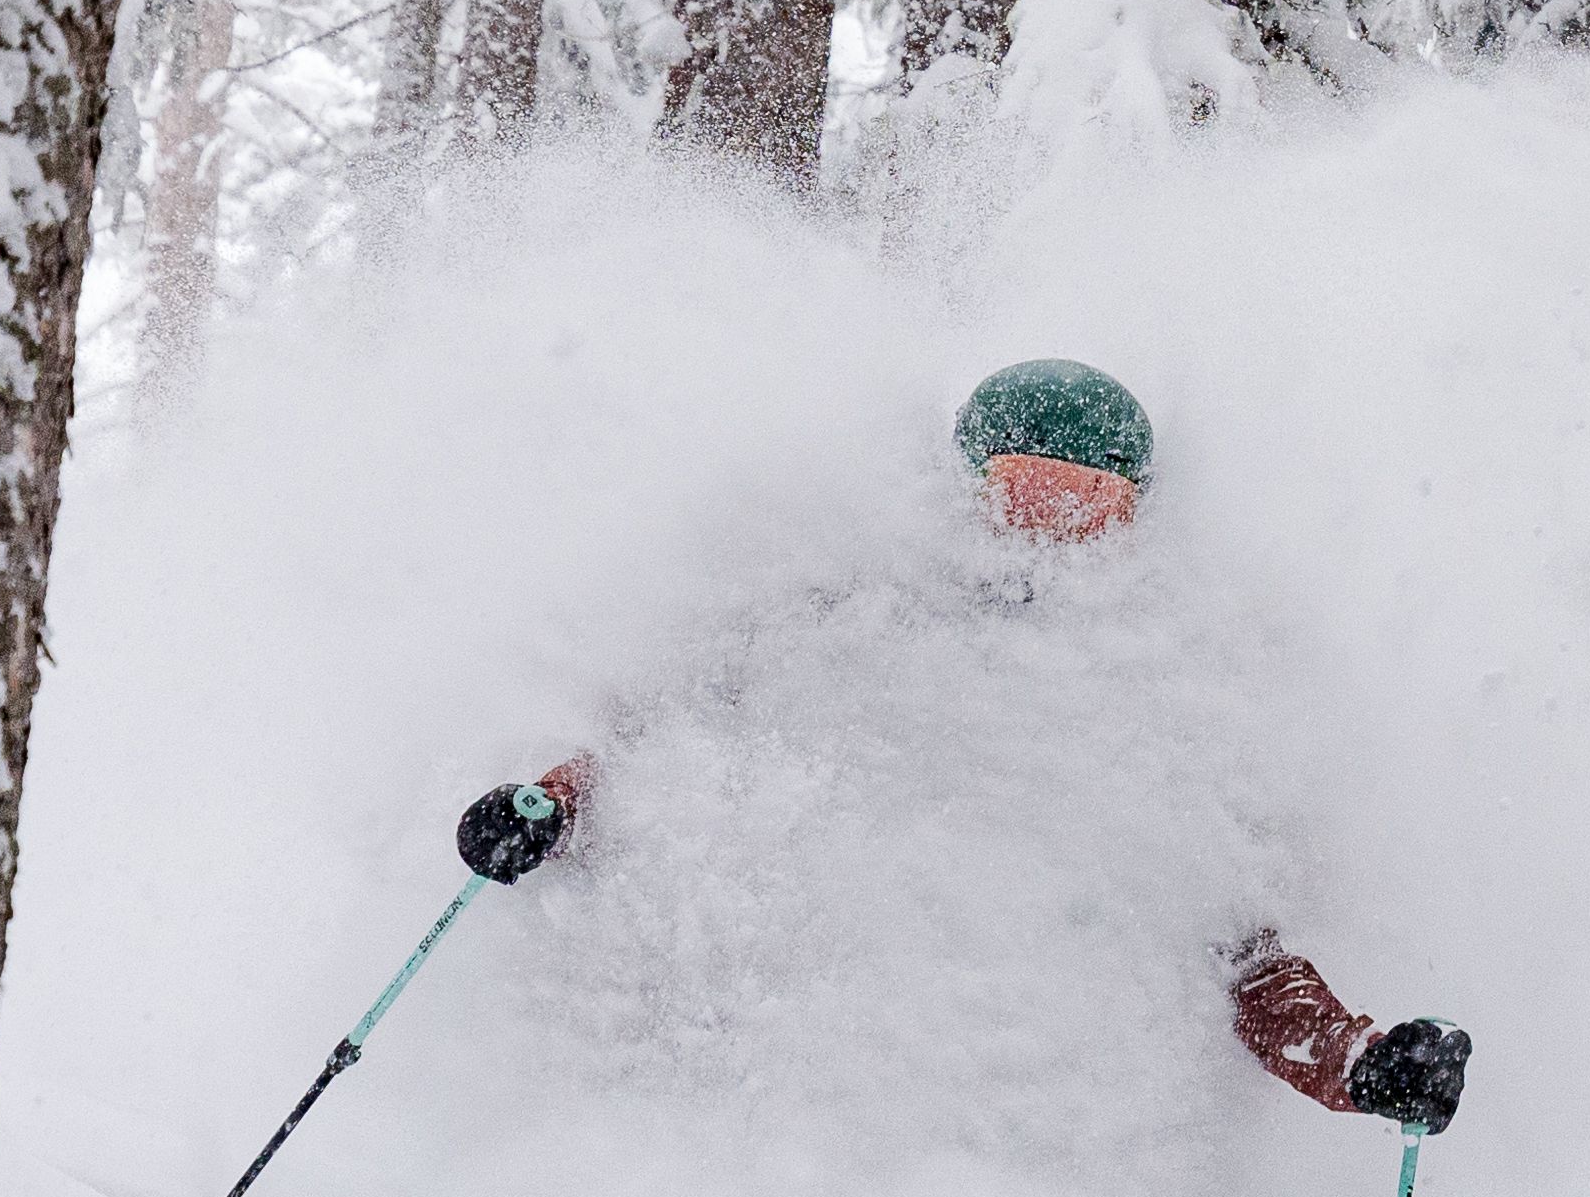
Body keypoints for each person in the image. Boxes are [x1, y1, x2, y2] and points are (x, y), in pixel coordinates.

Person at [436, 355, 1460, 1135]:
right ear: (968, 482)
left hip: (1033, 1140)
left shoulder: (1188, 701)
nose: (1046, 535)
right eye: (1024, 494)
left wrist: (1357, 1062)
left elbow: (1249, 963)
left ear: (1133, 514)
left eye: (1087, 510)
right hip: (787, 1086)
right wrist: (547, 809)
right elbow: (661, 741)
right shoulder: (846, 611)